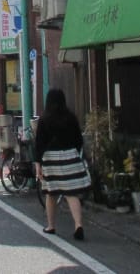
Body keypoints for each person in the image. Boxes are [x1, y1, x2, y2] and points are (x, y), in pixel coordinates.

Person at [34, 88, 90, 241]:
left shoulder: (44, 119)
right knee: (71, 193)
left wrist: (38, 163)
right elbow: (79, 140)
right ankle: (78, 225)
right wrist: (73, 153)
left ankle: (51, 226)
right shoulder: (71, 117)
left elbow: (39, 143)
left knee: (51, 193)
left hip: (50, 158)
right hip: (70, 156)